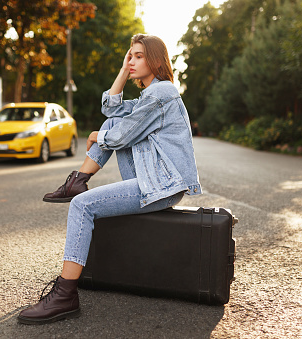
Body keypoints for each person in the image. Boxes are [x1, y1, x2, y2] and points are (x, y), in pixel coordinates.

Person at [17, 34, 201, 325]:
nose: (132, 61)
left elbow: (121, 136)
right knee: (113, 121)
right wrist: (123, 69)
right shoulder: (149, 94)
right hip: (150, 178)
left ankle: (65, 296)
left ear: (154, 59)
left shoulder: (162, 93)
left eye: (139, 56)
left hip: (161, 185)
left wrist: (94, 136)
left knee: (82, 205)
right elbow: (111, 109)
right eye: (130, 56)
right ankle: (79, 178)